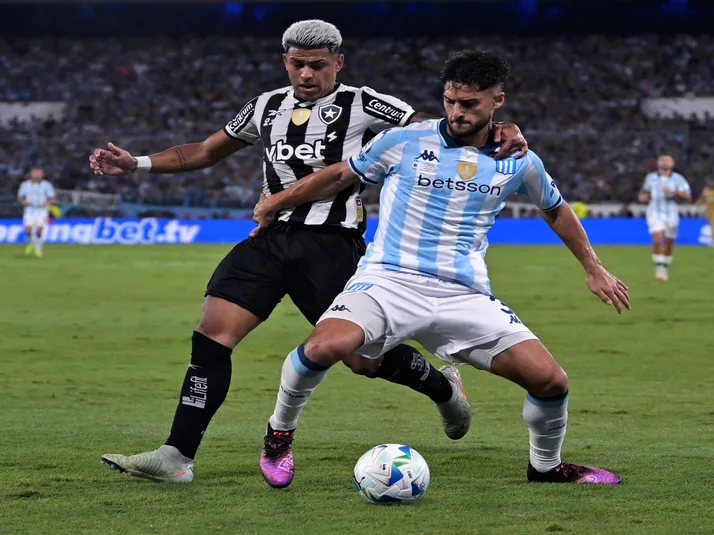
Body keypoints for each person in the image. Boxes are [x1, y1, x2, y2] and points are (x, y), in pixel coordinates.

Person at [90, 20, 529, 483]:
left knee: (364, 360)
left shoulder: (364, 103)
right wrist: (137, 163)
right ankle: (177, 456)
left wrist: (501, 127)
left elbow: (433, 125)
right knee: (211, 336)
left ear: (338, 62)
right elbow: (203, 151)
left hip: (332, 244)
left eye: (318, 65)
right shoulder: (265, 106)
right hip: (269, 239)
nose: (306, 74)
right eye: (298, 64)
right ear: (285, 61)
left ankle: (443, 387)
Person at [252, 49, 630, 488]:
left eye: (469, 104)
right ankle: (279, 434)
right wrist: (276, 202)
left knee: (550, 381)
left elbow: (555, 208)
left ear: (497, 101)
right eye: (450, 101)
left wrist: (593, 267)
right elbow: (339, 175)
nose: (456, 112)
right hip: (388, 280)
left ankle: (547, 468)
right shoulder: (403, 140)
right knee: (321, 348)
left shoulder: (519, 159)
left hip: (463, 293)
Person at [638, 155, 692, 281]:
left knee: (668, 243)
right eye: (662, 160)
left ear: (672, 164)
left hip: (671, 214)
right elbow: (644, 192)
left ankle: (665, 266)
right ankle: (659, 268)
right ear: (658, 163)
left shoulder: (678, 179)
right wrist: (643, 197)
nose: (664, 163)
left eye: (667, 161)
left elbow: (687, 196)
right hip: (654, 212)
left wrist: (674, 192)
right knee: (657, 239)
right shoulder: (651, 178)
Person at [17, 167, 55, 258]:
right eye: (35, 173)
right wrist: (24, 202)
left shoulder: (47, 185)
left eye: (39, 173)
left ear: (42, 174)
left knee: (39, 230)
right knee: (28, 229)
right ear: (31, 174)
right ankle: (31, 242)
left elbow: (52, 198)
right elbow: (20, 196)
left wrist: (46, 204)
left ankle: (38, 249)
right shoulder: (25, 185)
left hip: (42, 210)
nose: (37, 175)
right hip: (30, 209)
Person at [696, 180, 714, 246]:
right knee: (711, 226)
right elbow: (702, 198)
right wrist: (698, 204)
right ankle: (711, 240)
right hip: (709, 211)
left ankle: (712, 240)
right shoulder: (706, 191)